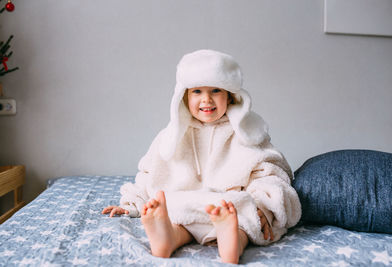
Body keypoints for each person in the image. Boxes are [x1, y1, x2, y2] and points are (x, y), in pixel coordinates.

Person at [102, 49, 301, 264]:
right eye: (197, 91)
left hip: (229, 207)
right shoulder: (173, 134)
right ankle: (167, 237)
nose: (206, 99)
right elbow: (151, 171)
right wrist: (134, 202)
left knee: (246, 220)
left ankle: (231, 240)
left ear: (230, 95)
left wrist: (264, 207)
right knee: (176, 217)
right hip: (185, 204)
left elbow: (270, 172)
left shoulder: (246, 132)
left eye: (215, 90)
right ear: (185, 96)